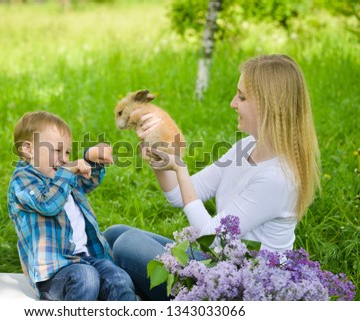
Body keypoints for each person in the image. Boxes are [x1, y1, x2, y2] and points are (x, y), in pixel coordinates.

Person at [104, 54, 321, 300]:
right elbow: (179, 195)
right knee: (114, 234)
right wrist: (157, 152)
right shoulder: (246, 147)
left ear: (269, 105)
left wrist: (180, 168)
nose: (232, 103)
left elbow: (210, 238)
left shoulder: (278, 177)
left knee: (126, 244)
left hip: (237, 286)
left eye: (241, 97)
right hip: (217, 262)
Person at [8, 111, 136, 301]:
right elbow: (48, 204)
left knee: (119, 277)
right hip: (53, 272)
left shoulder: (60, 176)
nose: (64, 159)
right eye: (57, 151)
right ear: (29, 150)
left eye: (67, 152)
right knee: (86, 277)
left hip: (86, 259)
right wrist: (67, 172)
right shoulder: (23, 180)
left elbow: (87, 181)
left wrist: (91, 158)